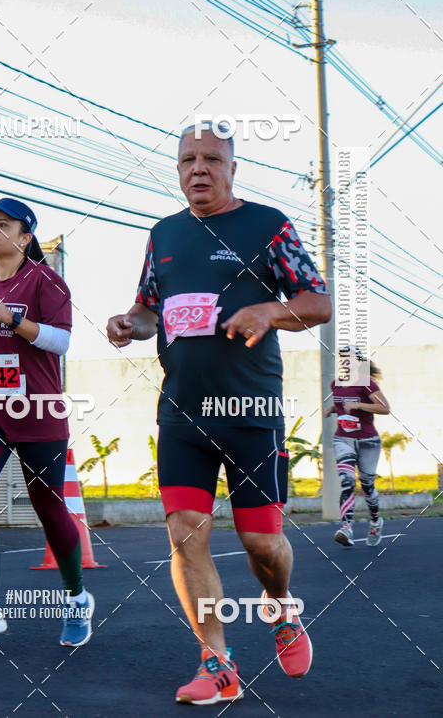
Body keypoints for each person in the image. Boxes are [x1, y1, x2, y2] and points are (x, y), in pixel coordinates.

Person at [106, 122, 332, 705]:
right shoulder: (164, 235)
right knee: (186, 535)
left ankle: (280, 607)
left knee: (262, 543)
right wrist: (131, 325)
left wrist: (268, 311)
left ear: (234, 168)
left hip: (250, 409)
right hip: (182, 411)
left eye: (211, 159)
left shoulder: (267, 225)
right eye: (187, 160)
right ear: (178, 170)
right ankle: (218, 663)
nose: (198, 169)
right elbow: (150, 309)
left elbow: (318, 301)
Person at [0, 197, 94, 645]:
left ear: (25, 237)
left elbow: (61, 341)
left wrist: (12, 320)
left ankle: (76, 600)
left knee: (49, 510)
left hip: (37, 411)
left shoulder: (47, 282)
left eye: (3, 224)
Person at [326, 347, 390, 548]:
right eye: (342, 358)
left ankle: (375, 521)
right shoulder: (335, 384)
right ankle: (346, 528)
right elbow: (342, 408)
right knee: (346, 481)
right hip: (343, 439)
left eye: (350, 358)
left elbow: (385, 408)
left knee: (367, 486)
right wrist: (332, 409)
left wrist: (359, 406)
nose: (345, 361)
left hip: (368, 441)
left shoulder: (367, 384)